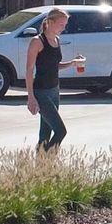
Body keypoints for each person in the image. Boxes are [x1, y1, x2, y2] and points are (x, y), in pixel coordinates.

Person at [25, 8, 83, 153]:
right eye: (61, 25)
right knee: (60, 131)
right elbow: (29, 70)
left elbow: (53, 65)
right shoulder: (37, 42)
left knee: (45, 133)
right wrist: (31, 97)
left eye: (65, 25)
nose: (63, 28)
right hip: (41, 92)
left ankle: (41, 169)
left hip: (54, 90)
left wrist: (72, 63)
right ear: (50, 22)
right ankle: (48, 162)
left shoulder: (57, 40)